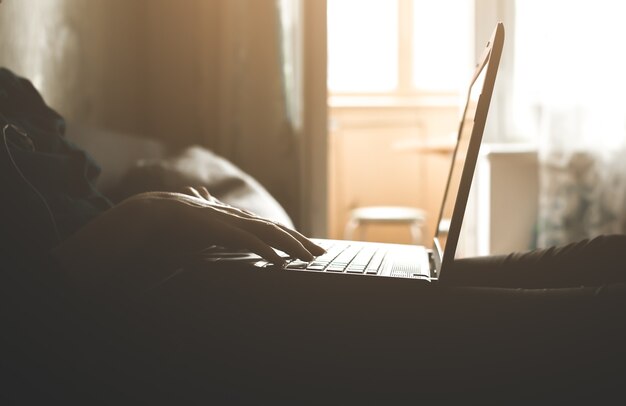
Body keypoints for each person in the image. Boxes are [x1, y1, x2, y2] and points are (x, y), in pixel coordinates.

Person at [2, 67, 625, 403]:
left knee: (552, 263)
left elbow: (83, 202)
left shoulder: (15, 96)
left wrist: (173, 219)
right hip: (149, 323)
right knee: (562, 324)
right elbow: (30, 328)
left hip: (182, 279)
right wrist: (149, 214)